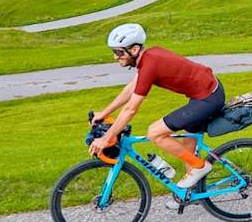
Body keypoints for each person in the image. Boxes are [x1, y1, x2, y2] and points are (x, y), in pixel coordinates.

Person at [88, 23, 225, 190]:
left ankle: (200, 166)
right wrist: (105, 112)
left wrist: (106, 138)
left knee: (155, 132)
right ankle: (192, 192)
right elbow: (131, 88)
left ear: (134, 50)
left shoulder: (149, 65)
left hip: (207, 98)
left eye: (118, 52)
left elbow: (131, 109)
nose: (115, 57)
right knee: (188, 145)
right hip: (206, 93)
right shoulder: (149, 57)